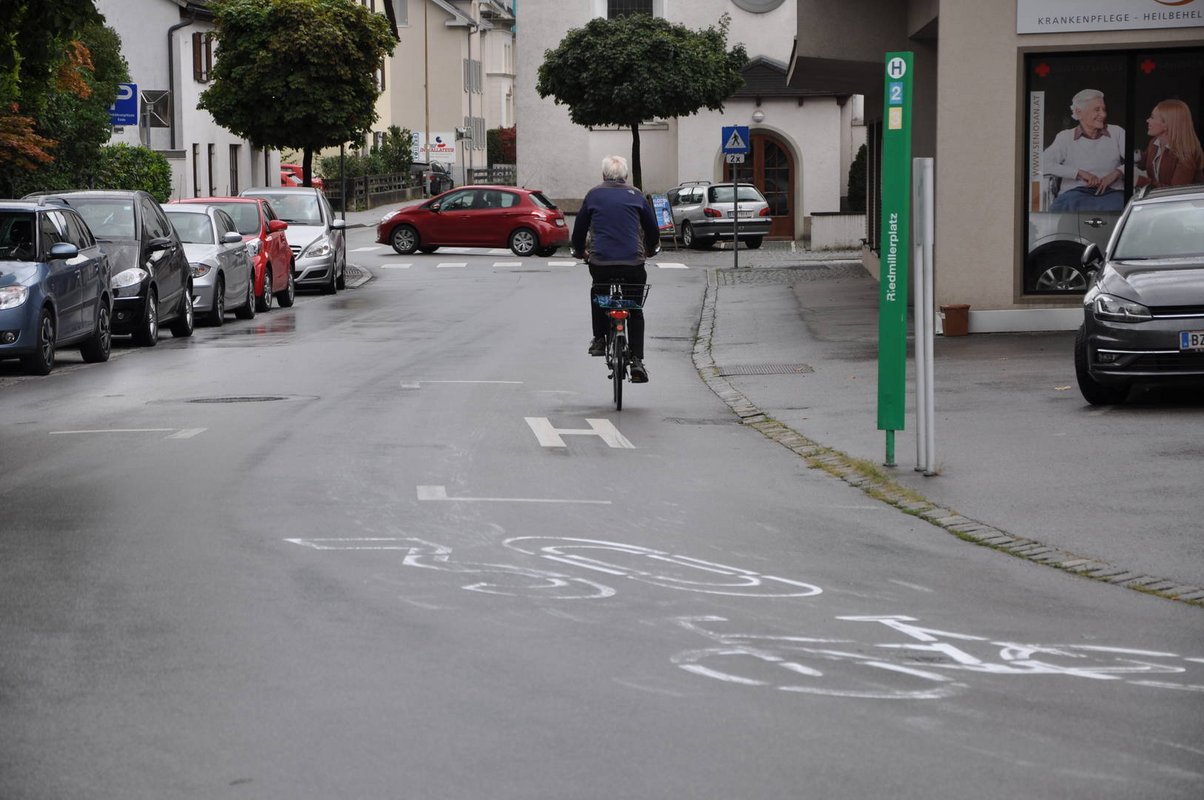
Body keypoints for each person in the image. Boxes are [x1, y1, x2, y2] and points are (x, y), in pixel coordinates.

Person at [571, 155, 660, 383]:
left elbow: (579, 230)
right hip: (633, 262)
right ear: (626, 176)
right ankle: (638, 361)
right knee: (636, 308)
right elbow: (652, 229)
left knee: (598, 293)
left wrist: (580, 251)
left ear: (603, 176)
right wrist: (650, 249)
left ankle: (600, 339)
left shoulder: (593, 195)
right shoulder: (636, 195)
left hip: (601, 263)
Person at [1042, 88, 1126, 212]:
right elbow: (1043, 164)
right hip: (1074, 194)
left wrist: (1116, 173)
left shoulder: (1117, 132)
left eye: (1104, 109)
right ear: (1079, 112)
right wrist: (1078, 173)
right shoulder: (1065, 137)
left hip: (1112, 193)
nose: (1103, 114)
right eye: (1097, 110)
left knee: (1119, 208)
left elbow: (1133, 161)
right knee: (1063, 212)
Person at [1136, 99, 1204, 189]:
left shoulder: (1186, 153)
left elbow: (1175, 193)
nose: (1147, 120)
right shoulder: (1154, 143)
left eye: (1152, 117)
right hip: (1155, 200)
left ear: (1166, 124)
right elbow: (1142, 162)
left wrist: (1142, 182)